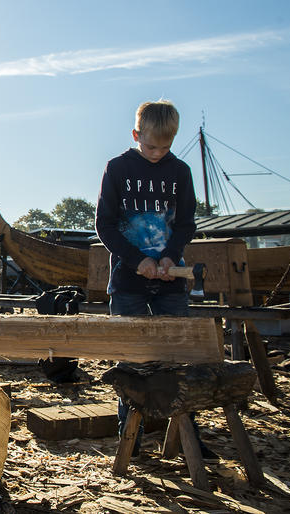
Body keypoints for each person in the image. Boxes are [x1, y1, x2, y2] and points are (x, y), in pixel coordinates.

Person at [95, 99, 215, 458]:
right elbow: (104, 225)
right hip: (128, 280)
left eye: (166, 147)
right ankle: (127, 438)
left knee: (178, 357)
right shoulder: (117, 168)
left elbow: (186, 223)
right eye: (151, 146)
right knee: (131, 360)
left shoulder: (180, 172)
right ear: (136, 134)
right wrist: (136, 261)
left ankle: (188, 435)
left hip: (171, 278)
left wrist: (167, 255)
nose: (158, 153)